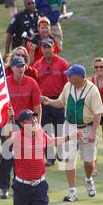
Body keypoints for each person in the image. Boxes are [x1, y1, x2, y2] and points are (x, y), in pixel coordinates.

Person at [6, 109, 82, 205]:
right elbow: (8, 136)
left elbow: (52, 141)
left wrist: (70, 137)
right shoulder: (18, 137)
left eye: (34, 118)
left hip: (40, 186)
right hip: (22, 187)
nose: (34, 121)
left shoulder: (40, 132)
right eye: (29, 120)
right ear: (22, 124)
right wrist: (8, 118)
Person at [41, 64, 103, 201]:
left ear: (80, 77)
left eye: (71, 75)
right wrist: (49, 102)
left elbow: (98, 113)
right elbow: (61, 102)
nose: (67, 76)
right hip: (70, 127)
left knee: (88, 162)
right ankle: (72, 191)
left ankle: (88, 179)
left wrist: (93, 132)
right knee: (70, 159)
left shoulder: (92, 90)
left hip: (87, 128)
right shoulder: (68, 86)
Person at [0, 56, 42, 199]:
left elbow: (37, 106)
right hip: (8, 122)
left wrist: (37, 124)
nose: (21, 68)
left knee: (23, 155)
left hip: (26, 123)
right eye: (18, 66)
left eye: (23, 66)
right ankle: (4, 187)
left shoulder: (31, 83)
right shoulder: (4, 84)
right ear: (12, 68)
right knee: (7, 155)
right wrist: (6, 113)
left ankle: (18, 185)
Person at [33, 38, 69, 166]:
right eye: (44, 47)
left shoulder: (62, 63)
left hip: (58, 100)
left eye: (49, 47)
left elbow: (68, 84)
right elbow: (34, 84)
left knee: (59, 128)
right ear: (41, 49)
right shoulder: (37, 65)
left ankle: (60, 151)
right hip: (43, 101)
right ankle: (50, 157)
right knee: (46, 130)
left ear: (54, 48)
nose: (47, 50)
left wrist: (64, 99)